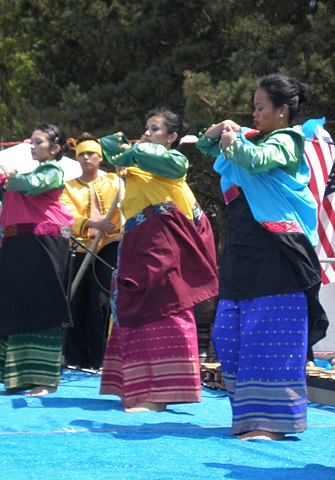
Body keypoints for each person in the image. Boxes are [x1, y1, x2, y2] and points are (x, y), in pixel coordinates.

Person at [196, 73, 324, 441]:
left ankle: (272, 423)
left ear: (282, 111)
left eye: (260, 107)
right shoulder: (248, 139)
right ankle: (250, 416)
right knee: (229, 332)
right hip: (242, 246)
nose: (253, 114)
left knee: (270, 333)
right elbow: (208, 147)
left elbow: (258, 161)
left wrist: (234, 140)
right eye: (252, 107)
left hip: (277, 248)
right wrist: (220, 128)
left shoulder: (288, 139)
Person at [98, 108, 218, 412]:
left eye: (155, 129)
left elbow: (167, 163)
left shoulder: (173, 162)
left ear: (172, 137)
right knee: (136, 305)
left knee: (165, 305)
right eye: (146, 128)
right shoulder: (137, 164)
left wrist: (132, 151)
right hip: (140, 241)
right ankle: (137, 388)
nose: (147, 133)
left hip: (162, 244)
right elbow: (108, 145)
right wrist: (124, 150)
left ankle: (160, 394)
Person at [0, 124, 74, 396]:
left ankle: (45, 380)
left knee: (42, 306)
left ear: (55, 148)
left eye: (39, 142)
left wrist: (8, 175)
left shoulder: (52, 172)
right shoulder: (21, 178)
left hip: (44, 242)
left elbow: (29, 185)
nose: (33, 146)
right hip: (17, 244)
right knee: (16, 305)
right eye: (32, 141)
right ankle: (17, 376)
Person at [59, 133, 122, 370]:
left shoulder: (114, 182)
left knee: (101, 304)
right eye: (82, 154)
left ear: (100, 157)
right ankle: (75, 358)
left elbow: (125, 200)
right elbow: (65, 214)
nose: (86, 158)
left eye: (91, 154)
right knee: (75, 301)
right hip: (79, 248)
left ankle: (101, 358)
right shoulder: (68, 187)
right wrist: (92, 224)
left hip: (107, 250)